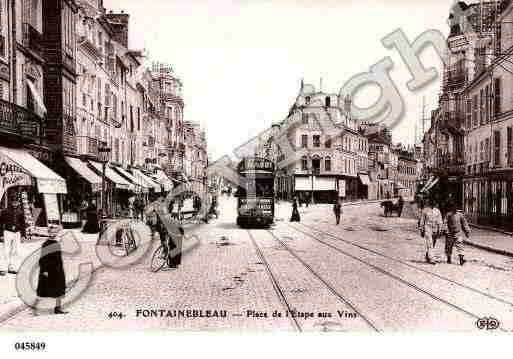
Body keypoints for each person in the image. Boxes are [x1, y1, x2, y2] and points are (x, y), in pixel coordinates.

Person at [33, 224, 68, 315]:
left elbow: (58, 258)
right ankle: (36, 309)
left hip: (58, 270)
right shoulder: (45, 244)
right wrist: (44, 270)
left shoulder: (57, 243)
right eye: (51, 232)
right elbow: (42, 259)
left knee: (59, 289)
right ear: (48, 233)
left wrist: (61, 269)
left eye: (55, 232)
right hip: (48, 270)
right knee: (43, 290)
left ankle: (58, 308)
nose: (53, 234)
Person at [0, 199, 25, 275]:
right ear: (11, 202)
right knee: (6, 250)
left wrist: (23, 235)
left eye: (16, 202)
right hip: (7, 232)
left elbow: (23, 224)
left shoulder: (20, 212)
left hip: (17, 233)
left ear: (18, 202)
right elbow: (0, 223)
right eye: (13, 201)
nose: (15, 203)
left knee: (16, 251)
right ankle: (3, 268)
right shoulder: (5, 211)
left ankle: (12, 267)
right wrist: (1, 234)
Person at [445, 200, 470, 265]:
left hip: (458, 233)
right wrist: (446, 230)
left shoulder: (460, 215)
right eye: (453, 207)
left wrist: (467, 231)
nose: (455, 208)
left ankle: (461, 259)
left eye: (456, 207)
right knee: (449, 246)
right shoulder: (448, 215)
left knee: (460, 246)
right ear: (451, 208)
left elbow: (464, 223)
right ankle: (449, 258)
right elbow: (445, 223)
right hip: (450, 233)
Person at [419, 197, 443, 265]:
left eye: (433, 203)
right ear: (429, 203)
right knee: (430, 244)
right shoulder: (425, 210)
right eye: (431, 202)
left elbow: (440, 221)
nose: (432, 204)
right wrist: (421, 229)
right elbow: (422, 221)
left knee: (433, 244)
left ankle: (428, 255)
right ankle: (432, 258)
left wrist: (440, 230)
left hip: (435, 229)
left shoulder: (437, 211)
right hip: (428, 228)